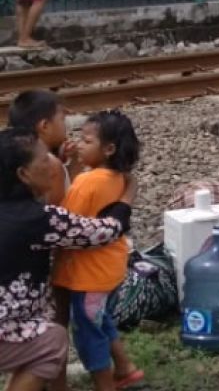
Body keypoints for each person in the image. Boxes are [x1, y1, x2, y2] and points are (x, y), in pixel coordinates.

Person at [0, 129, 135, 391]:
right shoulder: (37, 220)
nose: (52, 166)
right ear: (23, 174)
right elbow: (106, 230)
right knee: (53, 340)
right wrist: (129, 193)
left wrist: (66, 164)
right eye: (44, 160)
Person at [51, 112, 143, 391]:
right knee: (99, 320)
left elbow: (65, 219)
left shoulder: (88, 182)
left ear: (109, 148)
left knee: (89, 333)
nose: (78, 144)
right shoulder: (114, 177)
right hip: (106, 270)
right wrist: (77, 166)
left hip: (88, 276)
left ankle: (106, 385)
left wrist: (67, 171)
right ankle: (125, 369)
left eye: (86, 140)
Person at [7, 90, 74, 206]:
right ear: (45, 126)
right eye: (62, 119)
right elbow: (60, 212)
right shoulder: (51, 164)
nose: (65, 125)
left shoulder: (14, 153)